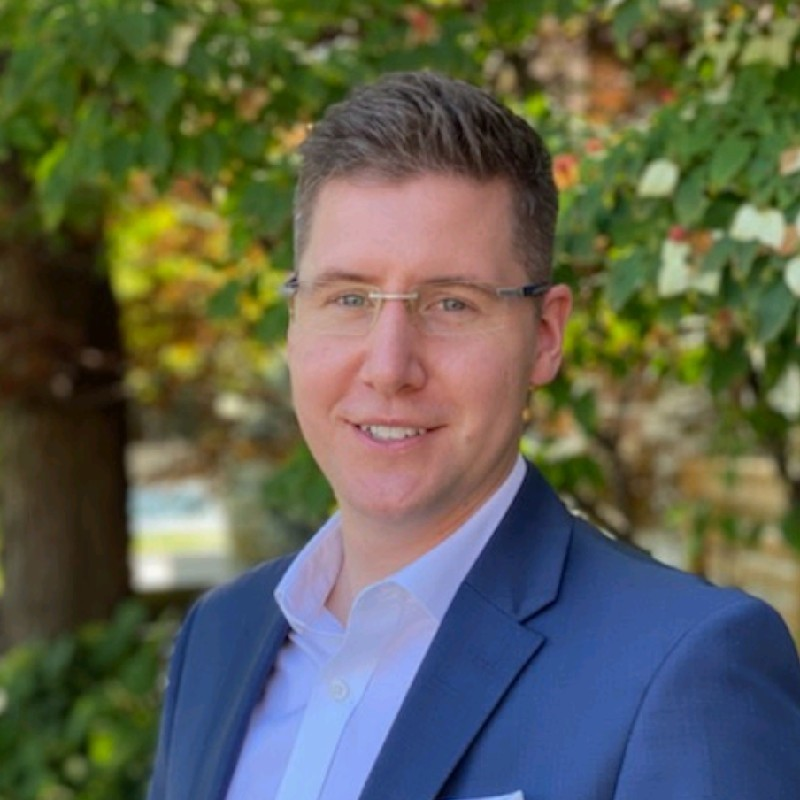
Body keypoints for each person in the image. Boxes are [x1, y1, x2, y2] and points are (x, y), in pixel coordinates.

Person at [147, 72, 800, 800]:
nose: (389, 367)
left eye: (451, 303)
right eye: (351, 298)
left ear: (545, 336)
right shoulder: (220, 636)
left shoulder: (685, 670)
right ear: (295, 322)